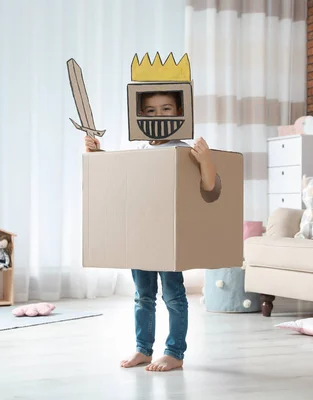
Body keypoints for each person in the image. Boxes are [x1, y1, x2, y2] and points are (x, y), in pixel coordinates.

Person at [84, 91, 218, 372]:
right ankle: (143, 349)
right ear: (140, 116)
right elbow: (117, 180)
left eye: (166, 109)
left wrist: (205, 160)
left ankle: (174, 352)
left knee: (173, 295)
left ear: (180, 111)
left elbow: (209, 187)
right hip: (141, 234)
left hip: (168, 236)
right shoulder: (141, 151)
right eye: (151, 110)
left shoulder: (183, 149)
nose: (159, 116)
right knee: (142, 295)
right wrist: (95, 154)